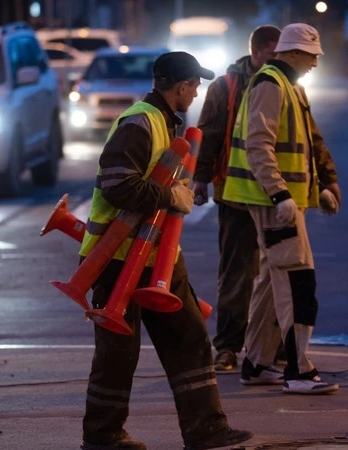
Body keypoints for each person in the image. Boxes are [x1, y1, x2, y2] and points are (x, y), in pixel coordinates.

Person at [78, 51, 252, 450]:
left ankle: (206, 430)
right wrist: (169, 196)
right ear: (181, 86)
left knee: (189, 339)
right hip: (116, 257)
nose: (196, 94)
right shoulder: (140, 122)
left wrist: (172, 194)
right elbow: (118, 185)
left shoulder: (162, 121)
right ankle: (103, 437)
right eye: (194, 86)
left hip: (155, 257)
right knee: (118, 354)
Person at [222, 23, 341, 395]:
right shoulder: (271, 84)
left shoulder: (288, 86)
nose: (315, 63)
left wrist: (316, 191)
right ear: (294, 52)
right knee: (296, 281)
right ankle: (298, 371)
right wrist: (279, 195)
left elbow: (301, 147)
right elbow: (259, 145)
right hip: (274, 203)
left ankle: (257, 363)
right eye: (311, 56)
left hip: (279, 201)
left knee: (273, 283)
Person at [193, 25, 283, 372]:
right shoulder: (225, 86)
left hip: (276, 196)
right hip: (235, 194)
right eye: (272, 55)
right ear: (255, 52)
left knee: (279, 274)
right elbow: (209, 134)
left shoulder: (286, 85)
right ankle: (228, 347)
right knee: (237, 274)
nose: (277, 61)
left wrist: (326, 181)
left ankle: (273, 346)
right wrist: (200, 180)